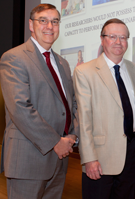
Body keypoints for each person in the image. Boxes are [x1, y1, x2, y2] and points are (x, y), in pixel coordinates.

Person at [0, 4, 79, 199]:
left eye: (54, 21)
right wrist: (55, 142)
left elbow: (72, 104)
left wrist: (72, 135)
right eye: (43, 20)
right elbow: (20, 108)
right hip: (29, 158)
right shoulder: (14, 58)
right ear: (31, 24)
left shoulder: (63, 62)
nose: (49, 26)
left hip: (59, 159)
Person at [73, 18, 135, 199]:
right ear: (102, 39)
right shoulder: (85, 71)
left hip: (131, 149)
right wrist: (89, 158)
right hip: (100, 155)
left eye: (123, 37)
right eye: (112, 36)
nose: (118, 42)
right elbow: (84, 118)